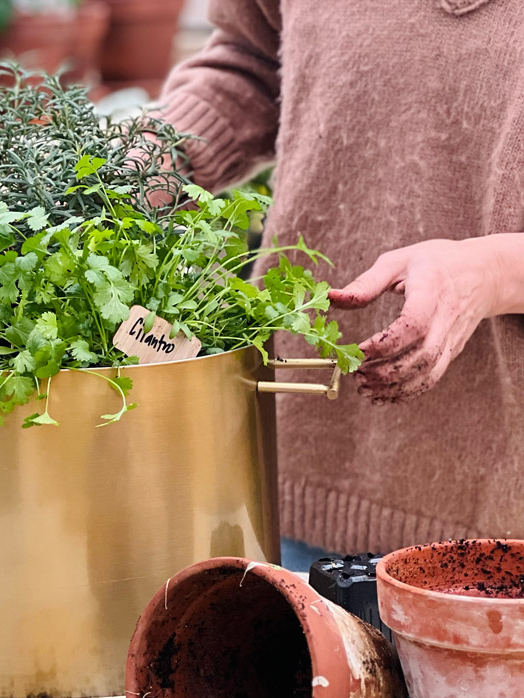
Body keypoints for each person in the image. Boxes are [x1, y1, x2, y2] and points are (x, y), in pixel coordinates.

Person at [155, 0, 524, 568]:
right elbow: (253, 57)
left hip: (502, 535)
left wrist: (494, 271)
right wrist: (147, 160)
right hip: (292, 478)